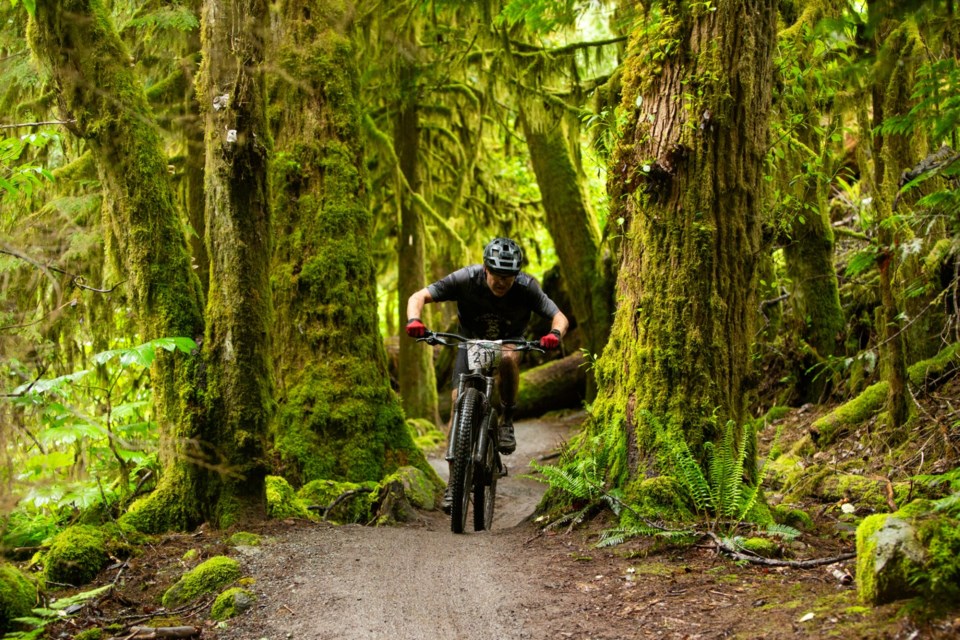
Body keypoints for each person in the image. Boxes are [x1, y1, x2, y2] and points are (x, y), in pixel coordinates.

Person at [405, 237, 569, 511]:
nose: (502, 282)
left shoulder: (527, 287)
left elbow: (559, 317)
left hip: (510, 342)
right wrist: (414, 320)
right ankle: (453, 485)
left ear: (516, 275)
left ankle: (506, 418)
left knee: (507, 358)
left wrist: (554, 334)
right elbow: (418, 296)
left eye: (509, 276)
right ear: (485, 269)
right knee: (458, 403)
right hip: (469, 343)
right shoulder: (466, 279)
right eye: (497, 274)